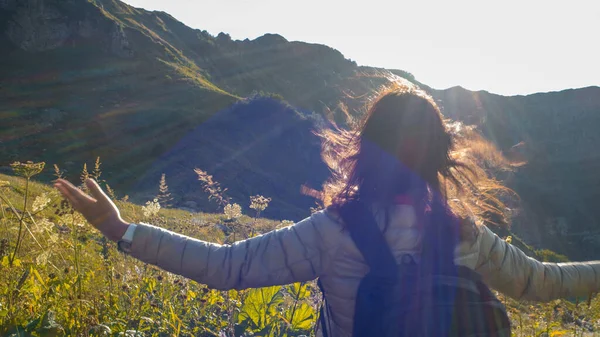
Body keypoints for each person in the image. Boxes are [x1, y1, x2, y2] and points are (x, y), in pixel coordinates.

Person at [55, 85, 600, 337]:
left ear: (364, 149)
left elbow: (224, 269)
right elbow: (546, 283)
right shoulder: (467, 234)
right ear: (441, 155)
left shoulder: (333, 232)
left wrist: (121, 230)